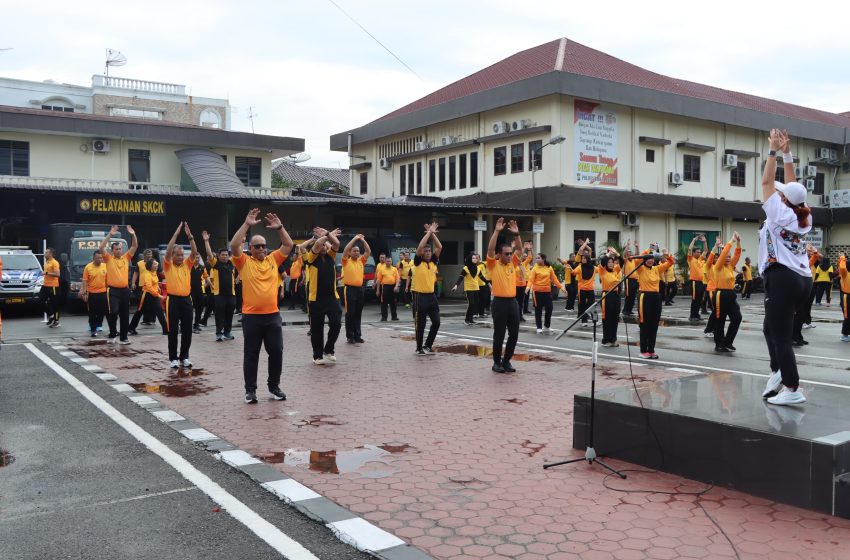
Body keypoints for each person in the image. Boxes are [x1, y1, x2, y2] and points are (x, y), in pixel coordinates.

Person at [759, 129, 813, 406]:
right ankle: (778, 370)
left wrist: (772, 151)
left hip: (783, 278)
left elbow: (768, 180)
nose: (777, 193)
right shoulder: (803, 213)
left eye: (781, 194)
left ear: (783, 200)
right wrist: (787, 153)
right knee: (770, 328)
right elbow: (792, 185)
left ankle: (792, 388)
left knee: (780, 337)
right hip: (802, 279)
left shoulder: (778, 213)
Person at [230, 209, 293, 403]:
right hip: (251, 317)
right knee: (251, 355)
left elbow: (289, 244)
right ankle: (250, 391)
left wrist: (279, 227)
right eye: (257, 246)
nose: (261, 249)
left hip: (272, 316)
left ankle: (274, 387)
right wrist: (247, 224)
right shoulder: (244, 262)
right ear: (250, 248)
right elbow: (233, 244)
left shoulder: (273, 259)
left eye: (264, 246)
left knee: (276, 352)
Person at [487, 218, 522, 373]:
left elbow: (519, 250)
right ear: (499, 254)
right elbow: (490, 250)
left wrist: (517, 235)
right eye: (506, 254)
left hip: (512, 303)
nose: (509, 256)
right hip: (499, 303)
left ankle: (506, 360)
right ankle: (496, 362)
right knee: (499, 334)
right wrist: (496, 231)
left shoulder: (512, 264)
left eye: (510, 253)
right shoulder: (493, 265)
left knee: (514, 334)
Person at [163, 222, 199, 368]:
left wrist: (190, 237)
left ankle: (184, 357)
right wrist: (176, 233)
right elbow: (168, 251)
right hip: (172, 300)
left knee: (187, 330)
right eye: (177, 255)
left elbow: (194, 252)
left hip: (186, 300)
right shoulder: (168, 264)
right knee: (173, 330)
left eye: (181, 255)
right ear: (172, 256)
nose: (179, 257)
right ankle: (173, 359)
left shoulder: (187, 264)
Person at [304, 227, 343, 364]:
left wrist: (327, 234)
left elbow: (336, 244)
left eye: (325, 246)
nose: (324, 247)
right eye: (322, 245)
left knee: (336, 324)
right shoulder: (311, 257)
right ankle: (317, 356)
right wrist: (328, 235)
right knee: (317, 330)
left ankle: (329, 349)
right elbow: (316, 245)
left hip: (332, 298)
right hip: (316, 299)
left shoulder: (331, 256)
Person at [100, 225, 138, 344]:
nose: (118, 250)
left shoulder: (126, 258)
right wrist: (110, 234)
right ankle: (112, 334)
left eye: (120, 249)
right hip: (113, 291)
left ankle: (123, 337)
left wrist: (133, 234)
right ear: (112, 250)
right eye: (116, 249)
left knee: (125, 314)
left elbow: (134, 246)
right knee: (113, 312)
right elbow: (101, 247)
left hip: (124, 290)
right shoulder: (108, 259)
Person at [636, 250, 674, 359]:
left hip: (656, 297)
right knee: (644, 324)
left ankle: (651, 350)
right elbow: (637, 261)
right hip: (645, 297)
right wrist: (648, 250)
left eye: (652, 259)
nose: (650, 261)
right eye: (648, 259)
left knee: (654, 324)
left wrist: (667, 255)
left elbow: (671, 262)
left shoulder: (657, 269)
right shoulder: (641, 268)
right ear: (645, 260)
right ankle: (643, 350)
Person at [411, 223, 442, 355]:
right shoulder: (418, 262)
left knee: (436, 322)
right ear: (422, 253)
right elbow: (420, 247)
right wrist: (428, 233)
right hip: (420, 297)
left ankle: (428, 345)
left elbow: (439, 247)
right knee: (420, 325)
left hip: (431, 297)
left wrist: (433, 234)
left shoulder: (433, 262)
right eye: (426, 251)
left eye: (430, 251)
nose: (428, 253)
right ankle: (419, 348)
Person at [203, 231, 237, 342]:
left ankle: (227, 332)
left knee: (229, 314)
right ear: (218, 256)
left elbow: (238, 253)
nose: (225, 256)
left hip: (231, 294)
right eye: (223, 255)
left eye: (226, 255)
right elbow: (209, 254)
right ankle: (219, 333)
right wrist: (206, 241)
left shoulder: (231, 263)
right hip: (219, 295)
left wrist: (241, 241)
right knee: (219, 315)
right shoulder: (216, 264)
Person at [712, 233, 743, 352]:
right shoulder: (718, 267)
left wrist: (739, 242)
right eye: (726, 257)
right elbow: (724, 253)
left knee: (737, 318)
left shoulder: (730, 267)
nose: (728, 258)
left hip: (730, 294)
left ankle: (727, 342)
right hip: (720, 294)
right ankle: (719, 344)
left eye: (729, 257)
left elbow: (737, 254)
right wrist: (731, 241)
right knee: (720, 320)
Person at [341, 234, 371, 342]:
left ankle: (357, 335)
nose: (356, 252)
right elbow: (345, 249)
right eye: (354, 251)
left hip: (360, 290)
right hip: (349, 290)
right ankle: (350, 336)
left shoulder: (361, 261)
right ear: (350, 252)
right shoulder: (345, 261)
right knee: (350, 313)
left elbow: (368, 251)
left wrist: (362, 240)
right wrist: (355, 239)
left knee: (358, 313)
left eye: (358, 251)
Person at [526, 253, 564, 334]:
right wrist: (528, 287)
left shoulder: (549, 267)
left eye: (538, 258)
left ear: (543, 259)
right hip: (537, 292)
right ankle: (539, 327)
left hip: (547, 291)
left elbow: (554, 279)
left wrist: (561, 287)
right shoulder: (534, 268)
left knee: (549, 308)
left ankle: (547, 326)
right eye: (536, 258)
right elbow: (531, 279)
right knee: (538, 309)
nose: (537, 259)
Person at [128, 260, 167, 335]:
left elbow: (155, 283)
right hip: (146, 296)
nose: (157, 265)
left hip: (154, 295)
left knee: (159, 312)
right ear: (150, 266)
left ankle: (166, 330)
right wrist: (159, 296)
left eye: (156, 263)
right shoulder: (147, 274)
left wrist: (158, 288)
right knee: (139, 311)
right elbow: (149, 287)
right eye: (155, 264)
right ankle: (131, 328)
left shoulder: (154, 272)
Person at [79, 251, 108, 337]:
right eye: (98, 258)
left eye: (101, 258)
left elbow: (107, 280)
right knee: (92, 312)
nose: (100, 259)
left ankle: (99, 325)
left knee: (101, 311)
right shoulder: (88, 267)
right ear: (93, 258)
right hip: (92, 293)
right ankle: (93, 329)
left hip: (103, 292)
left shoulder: (105, 266)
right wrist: (84, 293)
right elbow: (85, 281)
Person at [598, 249, 622, 347]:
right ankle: (606, 340)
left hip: (615, 295)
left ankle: (613, 339)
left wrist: (616, 254)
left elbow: (622, 261)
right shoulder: (602, 271)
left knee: (614, 318)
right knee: (607, 318)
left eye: (612, 262)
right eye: (609, 262)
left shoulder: (616, 270)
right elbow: (603, 260)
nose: (611, 264)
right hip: (606, 296)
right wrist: (608, 254)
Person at [451, 252, 481, 325]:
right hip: (468, 288)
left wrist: (489, 284)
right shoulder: (465, 268)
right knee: (471, 303)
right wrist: (456, 286)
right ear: (470, 259)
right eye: (473, 258)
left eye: (476, 258)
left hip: (476, 287)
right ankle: (466, 320)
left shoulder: (478, 268)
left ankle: (471, 320)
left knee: (474, 304)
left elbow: (482, 277)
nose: (475, 259)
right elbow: (460, 278)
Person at [572, 240, 596, 326]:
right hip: (580, 282)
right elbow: (581, 250)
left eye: (585, 257)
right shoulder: (578, 259)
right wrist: (584, 243)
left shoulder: (591, 266)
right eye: (583, 256)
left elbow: (589, 250)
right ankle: (583, 317)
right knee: (581, 303)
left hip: (589, 286)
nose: (584, 258)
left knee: (591, 304)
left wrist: (586, 244)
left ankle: (588, 316)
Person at [131, 249, 155, 324]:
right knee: (142, 304)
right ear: (144, 256)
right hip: (142, 287)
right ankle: (146, 319)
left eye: (150, 256)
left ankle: (151, 319)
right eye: (147, 256)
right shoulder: (139, 264)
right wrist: (133, 283)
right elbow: (136, 273)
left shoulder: (154, 263)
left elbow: (158, 273)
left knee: (152, 303)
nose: (149, 258)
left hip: (152, 286)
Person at [687, 235, 707, 322]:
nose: (699, 253)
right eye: (697, 252)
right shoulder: (691, 259)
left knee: (699, 300)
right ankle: (692, 315)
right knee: (695, 299)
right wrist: (693, 240)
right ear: (694, 253)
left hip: (701, 282)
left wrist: (704, 242)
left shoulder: (700, 259)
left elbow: (706, 250)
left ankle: (697, 315)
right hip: (694, 282)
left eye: (699, 252)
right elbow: (689, 249)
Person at [376, 253, 400, 321]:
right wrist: (377, 290)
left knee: (393, 303)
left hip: (393, 287)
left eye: (390, 261)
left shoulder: (394, 269)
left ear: (391, 262)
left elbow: (397, 279)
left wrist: (396, 286)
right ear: (385, 261)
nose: (389, 262)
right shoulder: (381, 269)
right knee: (384, 303)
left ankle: (394, 317)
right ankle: (384, 317)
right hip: (385, 287)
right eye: (387, 261)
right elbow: (378, 280)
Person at [702, 243, 719, 339]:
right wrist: (716, 246)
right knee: (714, 311)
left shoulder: (719, 266)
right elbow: (707, 276)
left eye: (717, 257)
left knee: (718, 312)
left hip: (719, 290)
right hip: (711, 289)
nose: (716, 259)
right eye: (714, 257)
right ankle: (708, 330)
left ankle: (714, 329)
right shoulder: (708, 265)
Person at [40, 247, 61, 328]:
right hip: (45, 285)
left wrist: (47, 273)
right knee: (40, 300)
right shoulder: (47, 262)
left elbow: (58, 274)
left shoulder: (54, 262)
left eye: (46, 252)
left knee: (54, 304)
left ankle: (56, 321)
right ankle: (51, 315)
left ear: (51, 254)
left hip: (53, 286)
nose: (45, 254)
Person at [621, 240, 640, 316]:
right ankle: (625, 310)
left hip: (635, 280)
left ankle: (629, 310)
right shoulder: (626, 260)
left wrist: (637, 246)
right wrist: (627, 246)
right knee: (628, 295)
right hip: (628, 280)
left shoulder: (634, 260)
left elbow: (637, 254)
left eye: (630, 252)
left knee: (633, 295)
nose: (630, 253)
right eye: (629, 252)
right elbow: (624, 254)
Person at [190, 257, 209, 334]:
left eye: (198, 258)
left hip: (200, 292)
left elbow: (206, 277)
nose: (196, 259)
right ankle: (184, 325)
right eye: (195, 258)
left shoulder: (202, 267)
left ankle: (196, 325)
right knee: (189, 310)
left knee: (199, 309)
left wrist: (207, 285)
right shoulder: (189, 267)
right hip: (190, 292)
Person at [514, 246, 533, 322]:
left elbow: (529, 258)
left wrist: (529, 250)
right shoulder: (513, 265)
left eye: (522, 256)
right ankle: (514, 316)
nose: (521, 257)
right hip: (515, 286)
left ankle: (520, 316)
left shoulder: (523, 264)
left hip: (522, 285)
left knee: (521, 302)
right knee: (515, 302)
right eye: (520, 256)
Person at [838, 253, 850, 342]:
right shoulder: (845, 273)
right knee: (847, 316)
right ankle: (845, 334)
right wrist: (842, 257)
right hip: (847, 297)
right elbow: (842, 267)